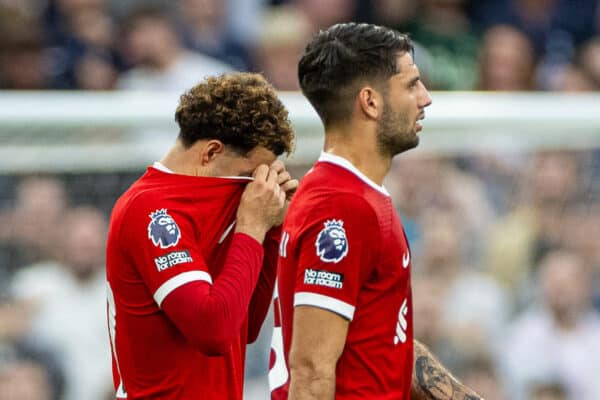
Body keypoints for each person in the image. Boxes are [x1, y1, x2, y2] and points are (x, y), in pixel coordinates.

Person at [269, 23, 483, 399]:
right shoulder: (342, 208)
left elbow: (383, 338)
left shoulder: (358, 196)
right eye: (411, 84)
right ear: (370, 101)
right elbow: (311, 371)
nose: (426, 98)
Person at [106, 72, 297, 400]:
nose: (256, 189)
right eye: (248, 176)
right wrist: (251, 227)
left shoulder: (217, 205)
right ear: (210, 153)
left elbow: (245, 325)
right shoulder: (151, 210)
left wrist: (271, 228)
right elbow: (213, 331)